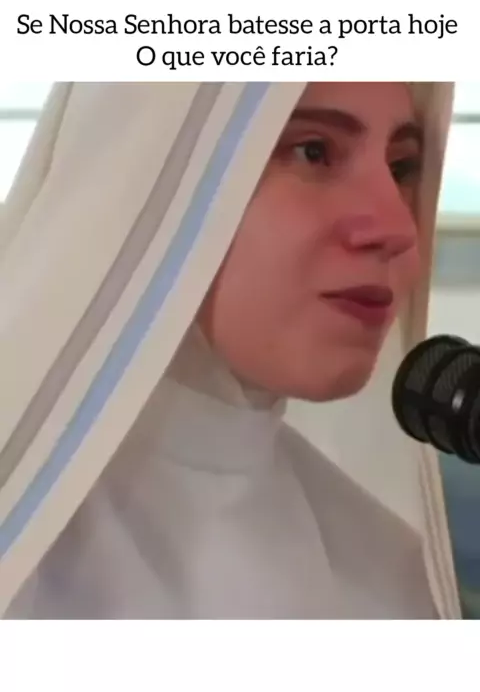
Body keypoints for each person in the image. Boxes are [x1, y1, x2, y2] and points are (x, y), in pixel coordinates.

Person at [0, 81, 460, 618]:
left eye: (402, 168)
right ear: (147, 171)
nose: (398, 228)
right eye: (314, 151)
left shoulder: (389, 573)